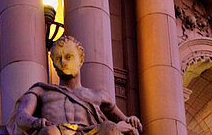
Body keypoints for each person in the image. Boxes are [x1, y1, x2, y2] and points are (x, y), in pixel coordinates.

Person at [8, 35, 141, 135]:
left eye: (69, 56)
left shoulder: (99, 95)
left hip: (90, 132)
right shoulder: (41, 91)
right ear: (54, 64)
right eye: (58, 59)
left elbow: (124, 120)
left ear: (81, 60)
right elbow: (21, 116)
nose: (63, 62)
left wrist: (131, 120)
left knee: (110, 128)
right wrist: (35, 122)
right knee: (50, 132)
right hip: (57, 132)